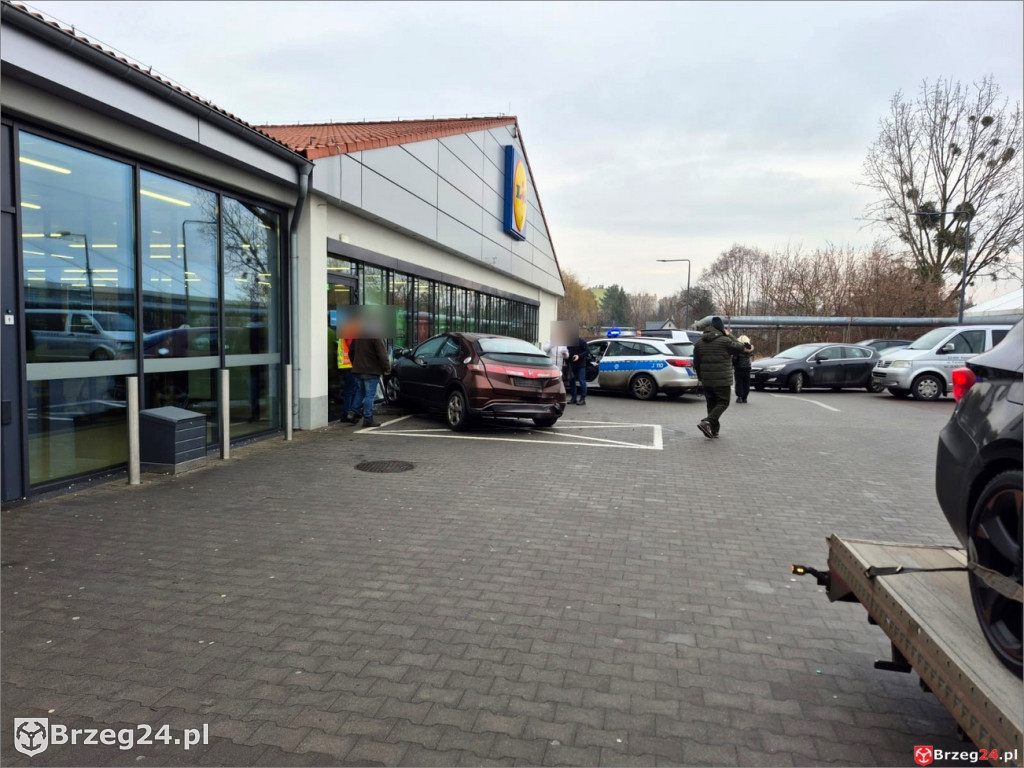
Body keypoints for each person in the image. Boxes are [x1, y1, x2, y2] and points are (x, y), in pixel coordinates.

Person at [692, 317, 752, 438]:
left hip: (707, 380)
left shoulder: (699, 344)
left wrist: (701, 378)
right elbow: (741, 347)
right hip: (722, 380)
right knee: (723, 402)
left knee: (711, 404)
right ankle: (707, 422)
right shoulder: (725, 341)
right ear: (721, 328)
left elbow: (696, 364)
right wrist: (729, 335)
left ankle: (713, 430)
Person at [349, 333, 391, 428]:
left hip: (358, 370)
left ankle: (352, 413)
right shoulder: (376, 336)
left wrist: (355, 364)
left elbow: (351, 352)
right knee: (370, 395)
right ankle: (368, 418)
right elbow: (382, 354)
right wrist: (387, 368)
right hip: (371, 370)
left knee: (361, 392)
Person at [566, 332, 589, 405]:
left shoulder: (581, 341)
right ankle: (574, 398)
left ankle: (583, 399)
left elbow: (587, 351)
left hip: (580, 365)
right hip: (571, 365)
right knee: (572, 381)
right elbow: (567, 352)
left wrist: (579, 356)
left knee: (582, 381)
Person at [732, 334, 754, 403]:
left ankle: (739, 397)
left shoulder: (738, 348)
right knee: (746, 382)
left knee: (739, 382)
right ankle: (745, 397)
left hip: (739, 367)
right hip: (747, 367)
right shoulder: (750, 347)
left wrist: (734, 364)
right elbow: (751, 355)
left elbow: (735, 359)